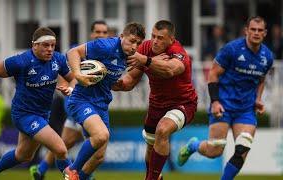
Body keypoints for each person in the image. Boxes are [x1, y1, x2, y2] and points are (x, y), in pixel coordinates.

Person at [177, 16, 273, 180]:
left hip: (246, 109)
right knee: (215, 150)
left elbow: (261, 79)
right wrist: (215, 101)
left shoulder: (267, 56)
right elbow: (213, 74)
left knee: (242, 149)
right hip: (224, 104)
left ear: (265, 33)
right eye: (253, 29)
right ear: (246, 31)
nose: (256, 33)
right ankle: (193, 146)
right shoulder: (232, 49)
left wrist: (258, 98)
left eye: (260, 30)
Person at [0, 27, 75, 180]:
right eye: (46, 45)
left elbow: (73, 78)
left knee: (23, 155)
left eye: (53, 45)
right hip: (24, 115)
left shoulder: (58, 59)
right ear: (34, 45)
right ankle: (74, 177)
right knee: (61, 149)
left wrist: (70, 88)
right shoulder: (21, 61)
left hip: (43, 114)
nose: (50, 49)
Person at [112, 20, 198, 180]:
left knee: (162, 129)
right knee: (150, 149)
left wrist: (146, 60)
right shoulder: (145, 48)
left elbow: (170, 70)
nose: (155, 41)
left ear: (171, 39)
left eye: (160, 38)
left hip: (183, 103)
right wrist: (112, 84)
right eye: (153, 36)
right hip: (156, 105)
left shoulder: (179, 52)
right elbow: (130, 80)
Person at [63, 22, 145, 180]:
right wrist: (78, 75)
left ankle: (78, 177)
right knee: (101, 135)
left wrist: (117, 85)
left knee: (99, 156)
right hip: (82, 99)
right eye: (132, 41)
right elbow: (73, 52)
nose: (135, 46)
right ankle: (71, 170)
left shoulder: (131, 57)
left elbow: (111, 80)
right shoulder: (105, 45)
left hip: (102, 104)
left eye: (138, 43)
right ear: (122, 37)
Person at [30, 20, 109, 180]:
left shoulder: (108, 55)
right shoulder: (81, 52)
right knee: (97, 150)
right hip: (79, 104)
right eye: (97, 32)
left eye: (104, 32)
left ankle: (41, 169)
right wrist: (70, 89)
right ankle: (81, 175)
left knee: (65, 143)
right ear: (91, 34)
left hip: (93, 105)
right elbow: (68, 76)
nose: (100, 35)